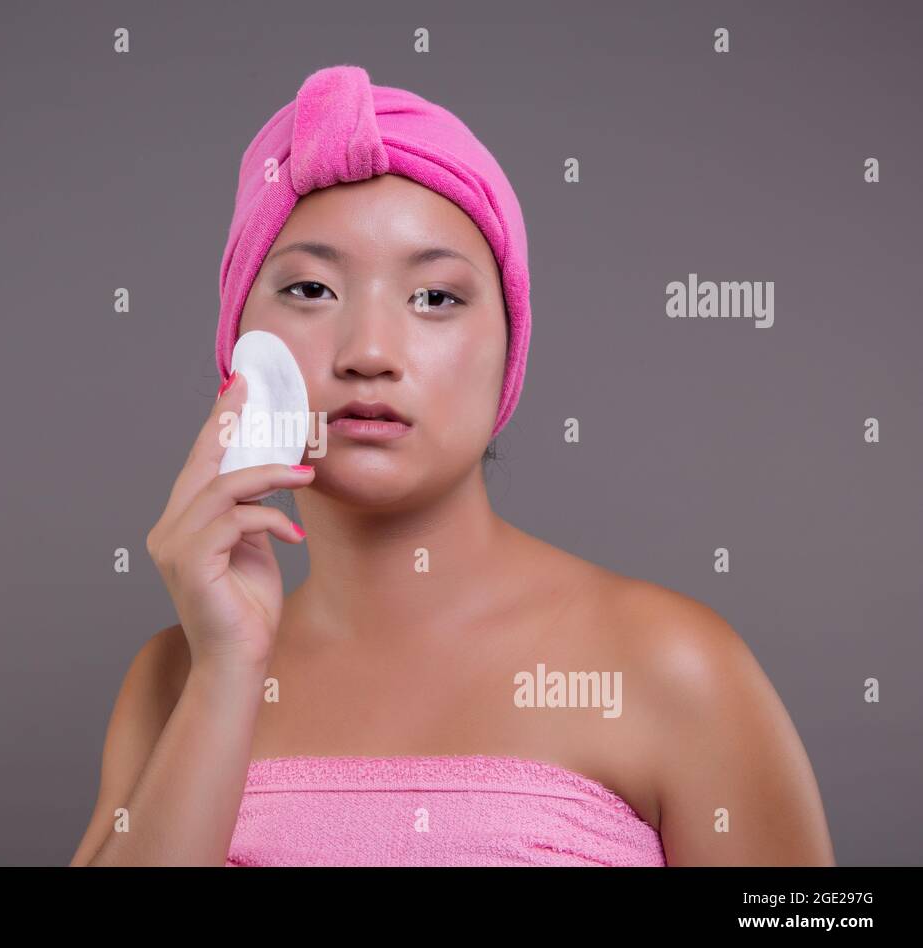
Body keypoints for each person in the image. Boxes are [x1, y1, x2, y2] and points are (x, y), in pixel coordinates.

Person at [70, 64, 835, 866]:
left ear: (509, 348)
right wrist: (227, 673)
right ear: (238, 349)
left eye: (436, 298)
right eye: (310, 288)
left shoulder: (671, 666)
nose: (369, 352)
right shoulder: (177, 678)